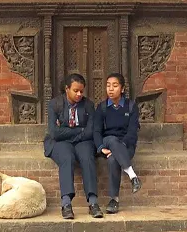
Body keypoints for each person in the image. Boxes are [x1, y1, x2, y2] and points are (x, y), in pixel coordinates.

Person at [44, 73, 103, 219]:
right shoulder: (55, 104)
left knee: (87, 156)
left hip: (82, 142)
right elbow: (55, 133)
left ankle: (93, 202)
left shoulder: (88, 105)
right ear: (66, 89)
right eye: (75, 91)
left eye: (81, 91)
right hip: (60, 143)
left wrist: (68, 132)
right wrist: (79, 130)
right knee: (67, 157)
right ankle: (66, 203)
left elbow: (90, 132)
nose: (79, 94)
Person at [91, 72, 141, 214]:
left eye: (115, 85)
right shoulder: (102, 108)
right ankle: (133, 176)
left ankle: (114, 200)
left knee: (113, 159)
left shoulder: (131, 107)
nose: (110, 89)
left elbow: (132, 132)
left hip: (125, 145)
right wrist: (101, 148)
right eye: (108, 86)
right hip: (107, 142)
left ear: (123, 89)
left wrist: (120, 147)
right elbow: (96, 131)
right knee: (112, 139)